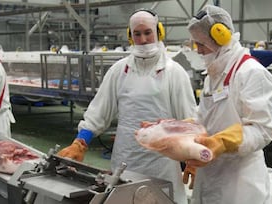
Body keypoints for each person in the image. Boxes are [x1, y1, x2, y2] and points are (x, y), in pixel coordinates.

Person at [57, 9, 197, 204]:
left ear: (159, 33)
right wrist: (81, 141)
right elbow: (99, 111)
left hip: (162, 165)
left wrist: (193, 156)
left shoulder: (174, 73)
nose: (144, 39)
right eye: (137, 34)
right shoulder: (119, 70)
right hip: (126, 160)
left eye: (148, 32)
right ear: (131, 37)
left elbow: (189, 120)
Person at [184, 5, 272, 204]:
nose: (198, 50)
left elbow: (262, 130)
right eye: (196, 44)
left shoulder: (251, 72)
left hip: (240, 182)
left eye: (201, 44)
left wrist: (223, 142)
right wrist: (183, 134)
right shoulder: (214, 73)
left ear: (221, 36)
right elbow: (203, 117)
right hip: (209, 171)